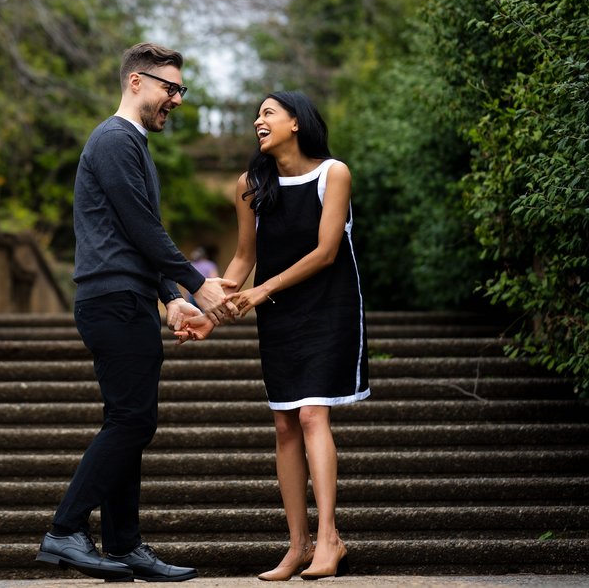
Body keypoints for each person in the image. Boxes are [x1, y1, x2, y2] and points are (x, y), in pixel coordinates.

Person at [36, 42, 234, 581]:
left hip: (125, 297)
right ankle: (65, 529)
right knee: (132, 420)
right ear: (136, 82)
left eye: (180, 90)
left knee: (127, 418)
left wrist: (170, 297)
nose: (176, 99)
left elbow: (133, 232)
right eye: (170, 88)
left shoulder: (132, 145)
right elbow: (144, 229)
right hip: (113, 301)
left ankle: (123, 544)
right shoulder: (114, 139)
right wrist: (197, 285)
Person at [175, 90, 370, 581]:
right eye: (256, 114)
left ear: (296, 122)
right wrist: (210, 313)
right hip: (279, 315)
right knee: (284, 425)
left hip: (329, 309)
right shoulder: (251, 184)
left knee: (310, 414)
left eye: (267, 112)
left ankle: (330, 538)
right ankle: (298, 545)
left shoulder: (333, 174)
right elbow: (242, 258)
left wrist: (263, 291)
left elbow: (327, 252)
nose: (257, 121)